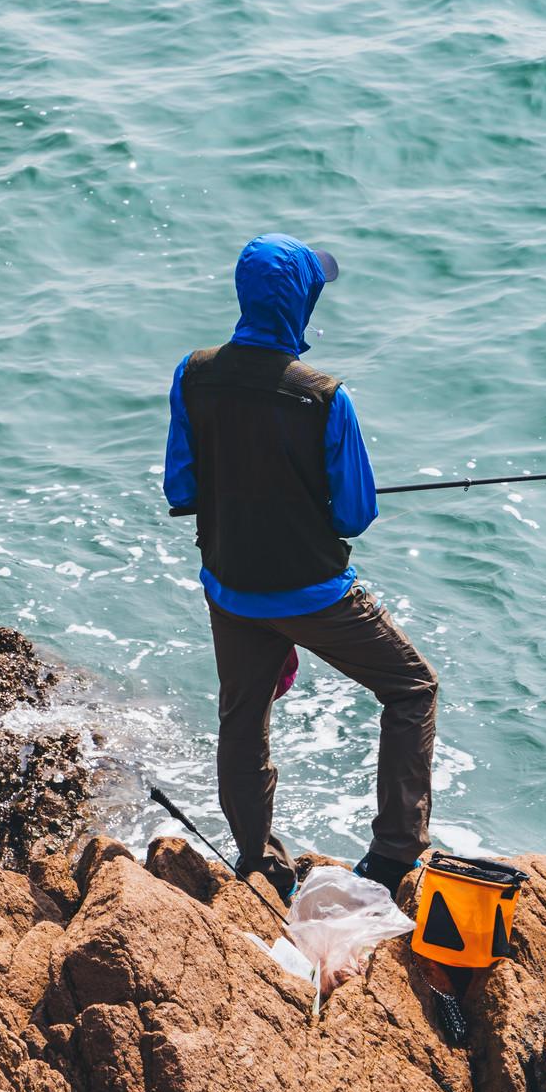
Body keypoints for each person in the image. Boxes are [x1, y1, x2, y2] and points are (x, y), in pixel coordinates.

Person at [163, 233, 439, 900]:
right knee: (412, 690)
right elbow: (352, 514)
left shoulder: (194, 374)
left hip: (231, 585)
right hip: (312, 592)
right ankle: (398, 854)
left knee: (243, 715)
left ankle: (258, 862)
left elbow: (181, 490)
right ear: (300, 301)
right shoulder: (323, 397)